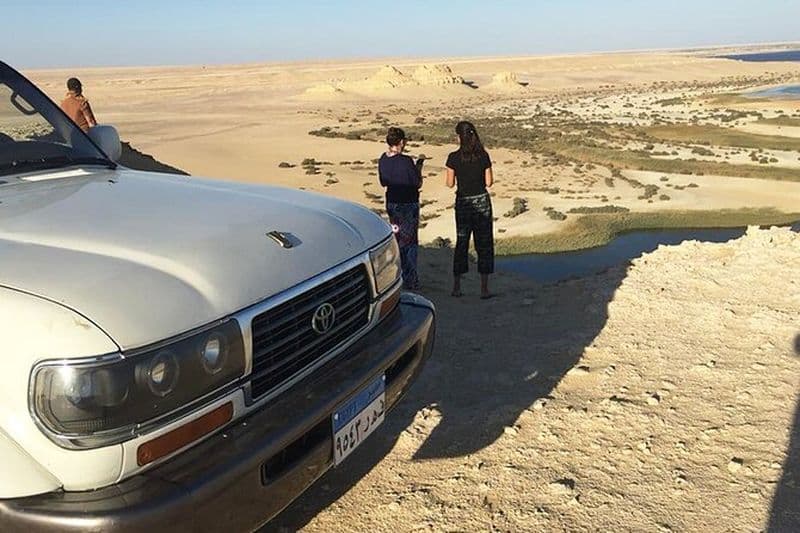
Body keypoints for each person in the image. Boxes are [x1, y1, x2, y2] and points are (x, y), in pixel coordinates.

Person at [445, 120, 494, 299]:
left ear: (459, 137)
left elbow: (449, 184)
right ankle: (484, 289)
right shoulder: (483, 155)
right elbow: (489, 182)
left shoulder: (453, 157)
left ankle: (457, 287)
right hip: (482, 201)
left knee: (462, 241)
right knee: (484, 243)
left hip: (463, 203)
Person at [378, 127, 423, 290]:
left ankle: (395, 275)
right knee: (409, 242)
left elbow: (383, 181)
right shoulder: (405, 161)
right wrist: (418, 167)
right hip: (408, 204)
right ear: (401, 142)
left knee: (396, 238)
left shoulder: (383, 159)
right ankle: (409, 279)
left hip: (392, 203)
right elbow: (417, 183)